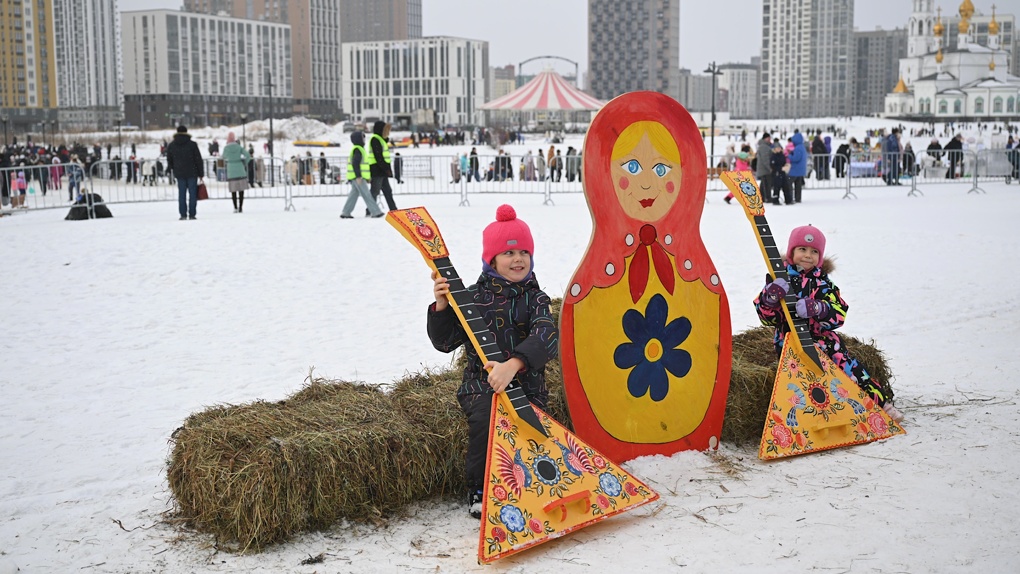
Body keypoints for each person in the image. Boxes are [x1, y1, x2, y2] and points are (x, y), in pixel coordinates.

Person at [427, 204, 558, 519]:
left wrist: (514, 364)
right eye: (509, 254)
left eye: (524, 252)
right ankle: (481, 488)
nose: (518, 260)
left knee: (533, 427)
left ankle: (539, 485)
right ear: (492, 260)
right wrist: (442, 306)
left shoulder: (536, 299)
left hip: (527, 385)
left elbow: (547, 337)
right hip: (480, 385)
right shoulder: (470, 298)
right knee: (489, 417)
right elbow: (444, 343)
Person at [754, 225, 903, 422]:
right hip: (788, 341)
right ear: (791, 252)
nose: (808, 255)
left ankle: (880, 403)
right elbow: (767, 318)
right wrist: (770, 297)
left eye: (814, 251)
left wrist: (819, 308)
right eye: (802, 249)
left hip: (824, 340)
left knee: (850, 369)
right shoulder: (778, 279)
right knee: (796, 381)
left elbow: (839, 313)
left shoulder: (824, 284)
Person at [339, 131, 383, 219]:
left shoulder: (358, 149)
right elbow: (355, 164)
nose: (364, 140)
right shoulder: (358, 149)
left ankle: (346, 212)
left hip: (356, 177)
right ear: (359, 139)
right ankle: (376, 212)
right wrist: (359, 176)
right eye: (363, 138)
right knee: (367, 194)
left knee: (354, 195)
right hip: (358, 177)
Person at [165, 125, 205, 220]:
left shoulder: (172, 145)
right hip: (192, 172)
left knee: (181, 194)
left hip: (179, 173)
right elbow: (198, 159)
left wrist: (173, 168)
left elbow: (169, 159)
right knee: (192, 194)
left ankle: (183, 214)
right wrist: (201, 173)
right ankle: (192, 214)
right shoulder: (192, 145)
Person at [367, 120, 397, 211]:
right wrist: (386, 168)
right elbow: (378, 156)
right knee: (375, 192)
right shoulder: (375, 139)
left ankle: (393, 209)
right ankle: (370, 209)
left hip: (381, 170)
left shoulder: (380, 139)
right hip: (377, 169)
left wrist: (386, 169)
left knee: (387, 191)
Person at [222, 132, 251, 213]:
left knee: (233, 190)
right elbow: (248, 155)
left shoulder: (226, 148)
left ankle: (235, 207)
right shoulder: (239, 147)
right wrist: (244, 163)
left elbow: (223, 157)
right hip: (240, 169)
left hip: (231, 170)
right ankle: (241, 207)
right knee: (241, 190)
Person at [787, 132, 808, 203]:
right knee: (798, 185)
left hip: (795, 169)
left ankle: (790, 197)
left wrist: (789, 156)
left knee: (789, 183)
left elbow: (796, 158)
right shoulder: (802, 147)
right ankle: (798, 198)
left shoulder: (798, 148)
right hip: (800, 169)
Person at [756, 132, 773, 199]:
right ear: (765, 138)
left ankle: (762, 197)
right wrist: (769, 168)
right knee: (766, 184)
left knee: (764, 183)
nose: (769, 139)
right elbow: (765, 159)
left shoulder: (764, 146)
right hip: (764, 169)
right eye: (768, 138)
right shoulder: (764, 147)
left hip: (763, 168)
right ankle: (767, 197)